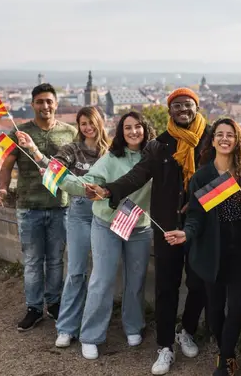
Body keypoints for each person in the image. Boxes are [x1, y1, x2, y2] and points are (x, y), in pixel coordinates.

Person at [85, 88, 209, 375]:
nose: (182, 109)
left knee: (199, 283)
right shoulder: (160, 145)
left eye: (188, 105)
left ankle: (186, 330)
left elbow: (224, 174)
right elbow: (137, 175)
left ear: (196, 107)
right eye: (176, 105)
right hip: (166, 225)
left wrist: (200, 201)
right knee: (166, 287)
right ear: (169, 111)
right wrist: (108, 190)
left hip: (200, 225)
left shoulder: (210, 137)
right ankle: (164, 346)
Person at [165, 117, 241, 376]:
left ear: (237, 140)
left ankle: (223, 363)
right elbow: (195, 215)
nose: (224, 138)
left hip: (240, 253)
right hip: (212, 253)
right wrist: (187, 233)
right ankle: (227, 353)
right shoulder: (202, 176)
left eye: (230, 134)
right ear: (213, 140)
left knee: (238, 308)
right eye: (219, 134)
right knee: (215, 310)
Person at [56, 111, 156, 360]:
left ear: (146, 130)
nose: (133, 132)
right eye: (127, 128)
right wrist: (61, 179)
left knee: (136, 279)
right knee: (102, 279)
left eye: (138, 127)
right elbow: (87, 182)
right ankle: (90, 335)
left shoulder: (155, 158)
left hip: (139, 225)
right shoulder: (111, 158)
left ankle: (133, 325)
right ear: (121, 133)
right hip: (106, 224)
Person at [15, 106, 110, 348]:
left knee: (101, 274)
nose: (87, 127)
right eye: (83, 123)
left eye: (91, 122)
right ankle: (66, 327)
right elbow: (55, 167)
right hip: (78, 212)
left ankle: (92, 325)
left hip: (105, 213)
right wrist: (36, 153)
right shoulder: (73, 149)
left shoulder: (110, 151)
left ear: (100, 123)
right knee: (76, 271)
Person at [0, 83, 77, 331]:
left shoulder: (70, 133)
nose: (45, 106)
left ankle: (54, 303)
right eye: (40, 101)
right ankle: (33, 307)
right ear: (32, 105)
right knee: (32, 261)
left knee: (55, 260)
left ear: (56, 104)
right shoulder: (17, 133)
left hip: (60, 206)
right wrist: (3, 189)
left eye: (49, 101)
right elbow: (5, 166)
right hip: (28, 206)